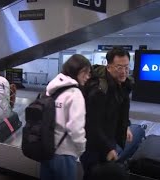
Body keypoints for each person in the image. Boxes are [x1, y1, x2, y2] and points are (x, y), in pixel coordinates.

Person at [81, 47, 133, 180]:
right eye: (119, 67)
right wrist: (108, 148)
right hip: (92, 143)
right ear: (108, 67)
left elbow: (121, 110)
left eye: (126, 67)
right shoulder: (99, 89)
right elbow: (91, 123)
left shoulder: (125, 84)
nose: (124, 72)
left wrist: (126, 125)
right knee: (93, 174)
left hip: (109, 137)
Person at [40, 54, 91, 180]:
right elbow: (75, 128)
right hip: (65, 153)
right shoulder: (75, 93)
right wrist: (81, 148)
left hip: (46, 148)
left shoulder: (51, 88)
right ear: (76, 71)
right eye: (85, 72)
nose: (87, 77)